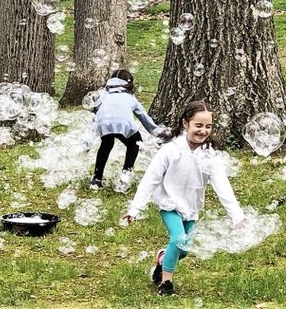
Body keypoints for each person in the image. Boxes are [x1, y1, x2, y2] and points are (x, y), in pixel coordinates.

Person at [123, 100, 246, 296]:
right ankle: (166, 283)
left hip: (192, 208)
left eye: (208, 126)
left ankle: (162, 259)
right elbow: (151, 179)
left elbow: (222, 185)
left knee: (184, 250)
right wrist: (135, 208)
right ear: (185, 123)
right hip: (169, 204)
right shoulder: (170, 150)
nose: (203, 130)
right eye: (198, 125)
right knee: (178, 239)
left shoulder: (209, 155)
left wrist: (237, 215)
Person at [90, 69, 161, 191]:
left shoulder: (103, 95)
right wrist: (156, 132)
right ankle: (125, 174)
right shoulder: (130, 97)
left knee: (106, 144)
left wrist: (87, 142)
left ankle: (96, 179)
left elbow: (96, 117)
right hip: (125, 125)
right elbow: (142, 115)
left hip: (105, 124)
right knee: (134, 143)